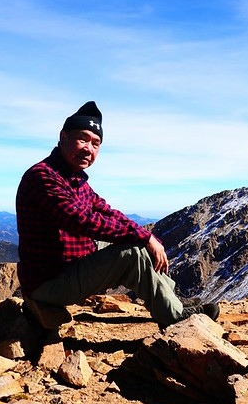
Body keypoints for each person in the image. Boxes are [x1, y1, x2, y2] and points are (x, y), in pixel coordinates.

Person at [15, 100, 219, 330]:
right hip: (48, 283)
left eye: (96, 144)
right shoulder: (43, 177)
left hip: (66, 267)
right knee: (132, 252)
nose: (89, 149)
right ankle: (173, 316)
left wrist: (144, 235)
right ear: (63, 136)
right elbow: (79, 221)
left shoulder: (75, 179)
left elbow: (106, 210)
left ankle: (171, 299)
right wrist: (142, 237)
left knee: (137, 243)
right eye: (83, 139)